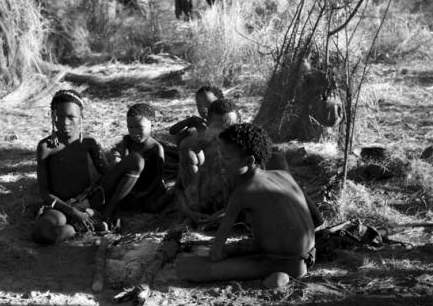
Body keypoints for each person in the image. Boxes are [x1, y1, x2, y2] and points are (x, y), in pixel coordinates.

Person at [176, 123, 318, 281]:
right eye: (220, 155)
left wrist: (223, 254)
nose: (221, 161)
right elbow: (317, 219)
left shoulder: (244, 192)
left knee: (185, 268)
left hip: (283, 264)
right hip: (310, 255)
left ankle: (279, 277)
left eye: (227, 157)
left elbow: (216, 254)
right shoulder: (282, 174)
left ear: (249, 160)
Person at [32, 90, 112, 244]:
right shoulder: (45, 147)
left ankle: (84, 222)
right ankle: (78, 227)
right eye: (59, 117)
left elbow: (107, 175)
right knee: (41, 233)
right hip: (61, 206)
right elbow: (45, 192)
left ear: (81, 117)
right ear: (52, 116)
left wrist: (116, 159)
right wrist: (72, 212)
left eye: (71, 117)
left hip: (86, 202)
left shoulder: (89, 143)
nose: (65, 122)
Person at [176, 98, 241, 223]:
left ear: (239, 122)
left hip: (233, 210)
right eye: (218, 127)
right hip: (201, 210)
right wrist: (187, 211)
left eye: (230, 127)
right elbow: (179, 188)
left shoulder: (246, 147)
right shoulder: (195, 148)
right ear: (209, 125)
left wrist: (227, 213)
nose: (224, 133)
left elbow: (251, 188)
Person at [108, 103, 168, 213]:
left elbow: (158, 177)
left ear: (152, 125)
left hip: (150, 189)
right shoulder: (128, 141)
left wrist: (145, 193)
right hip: (131, 186)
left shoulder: (156, 148)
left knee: (151, 207)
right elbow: (124, 162)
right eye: (130, 127)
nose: (135, 132)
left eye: (139, 127)